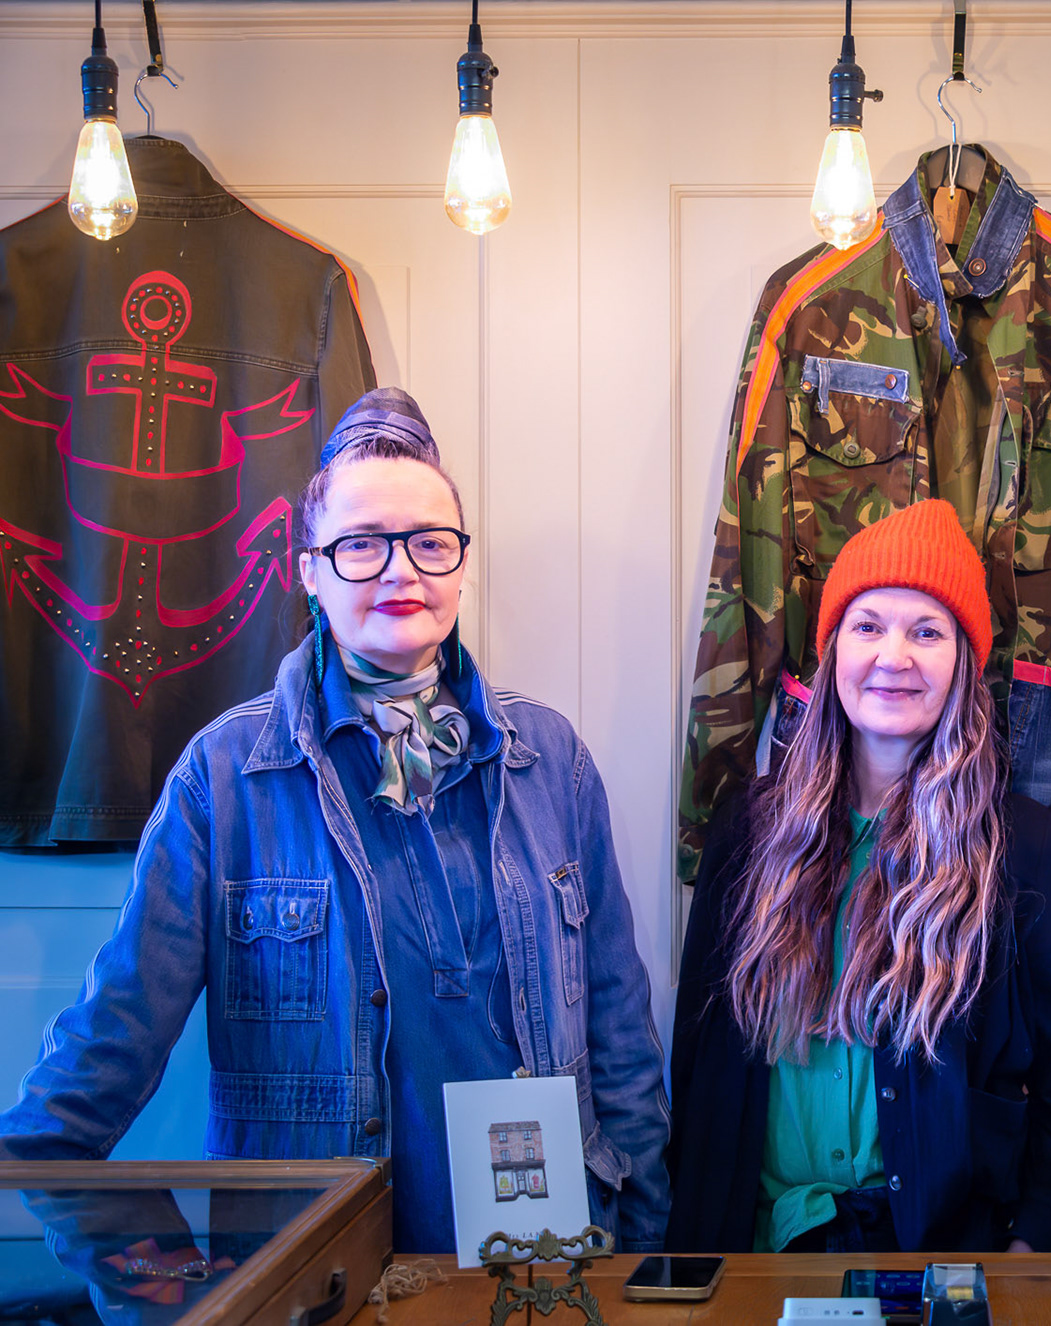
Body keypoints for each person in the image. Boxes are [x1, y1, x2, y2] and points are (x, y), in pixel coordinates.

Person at [0, 389, 671, 1255]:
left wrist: (649, 1248)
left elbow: (619, 1030)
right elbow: (109, 1042)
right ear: (308, 569)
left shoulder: (550, 760)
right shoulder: (225, 777)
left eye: (431, 543)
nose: (403, 572)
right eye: (361, 545)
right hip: (314, 1269)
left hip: (543, 1264)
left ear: (462, 566)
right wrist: (78, 1218)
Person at [667, 499, 1051, 1254]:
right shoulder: (748, 828)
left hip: (946, 1257)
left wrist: (1026, 1246)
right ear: (833, 648)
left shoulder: (1030, 848)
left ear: (966, 663)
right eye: (869, 625)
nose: (893, 656)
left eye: (928, 631)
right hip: (756, 1252)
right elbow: (699, 1057)